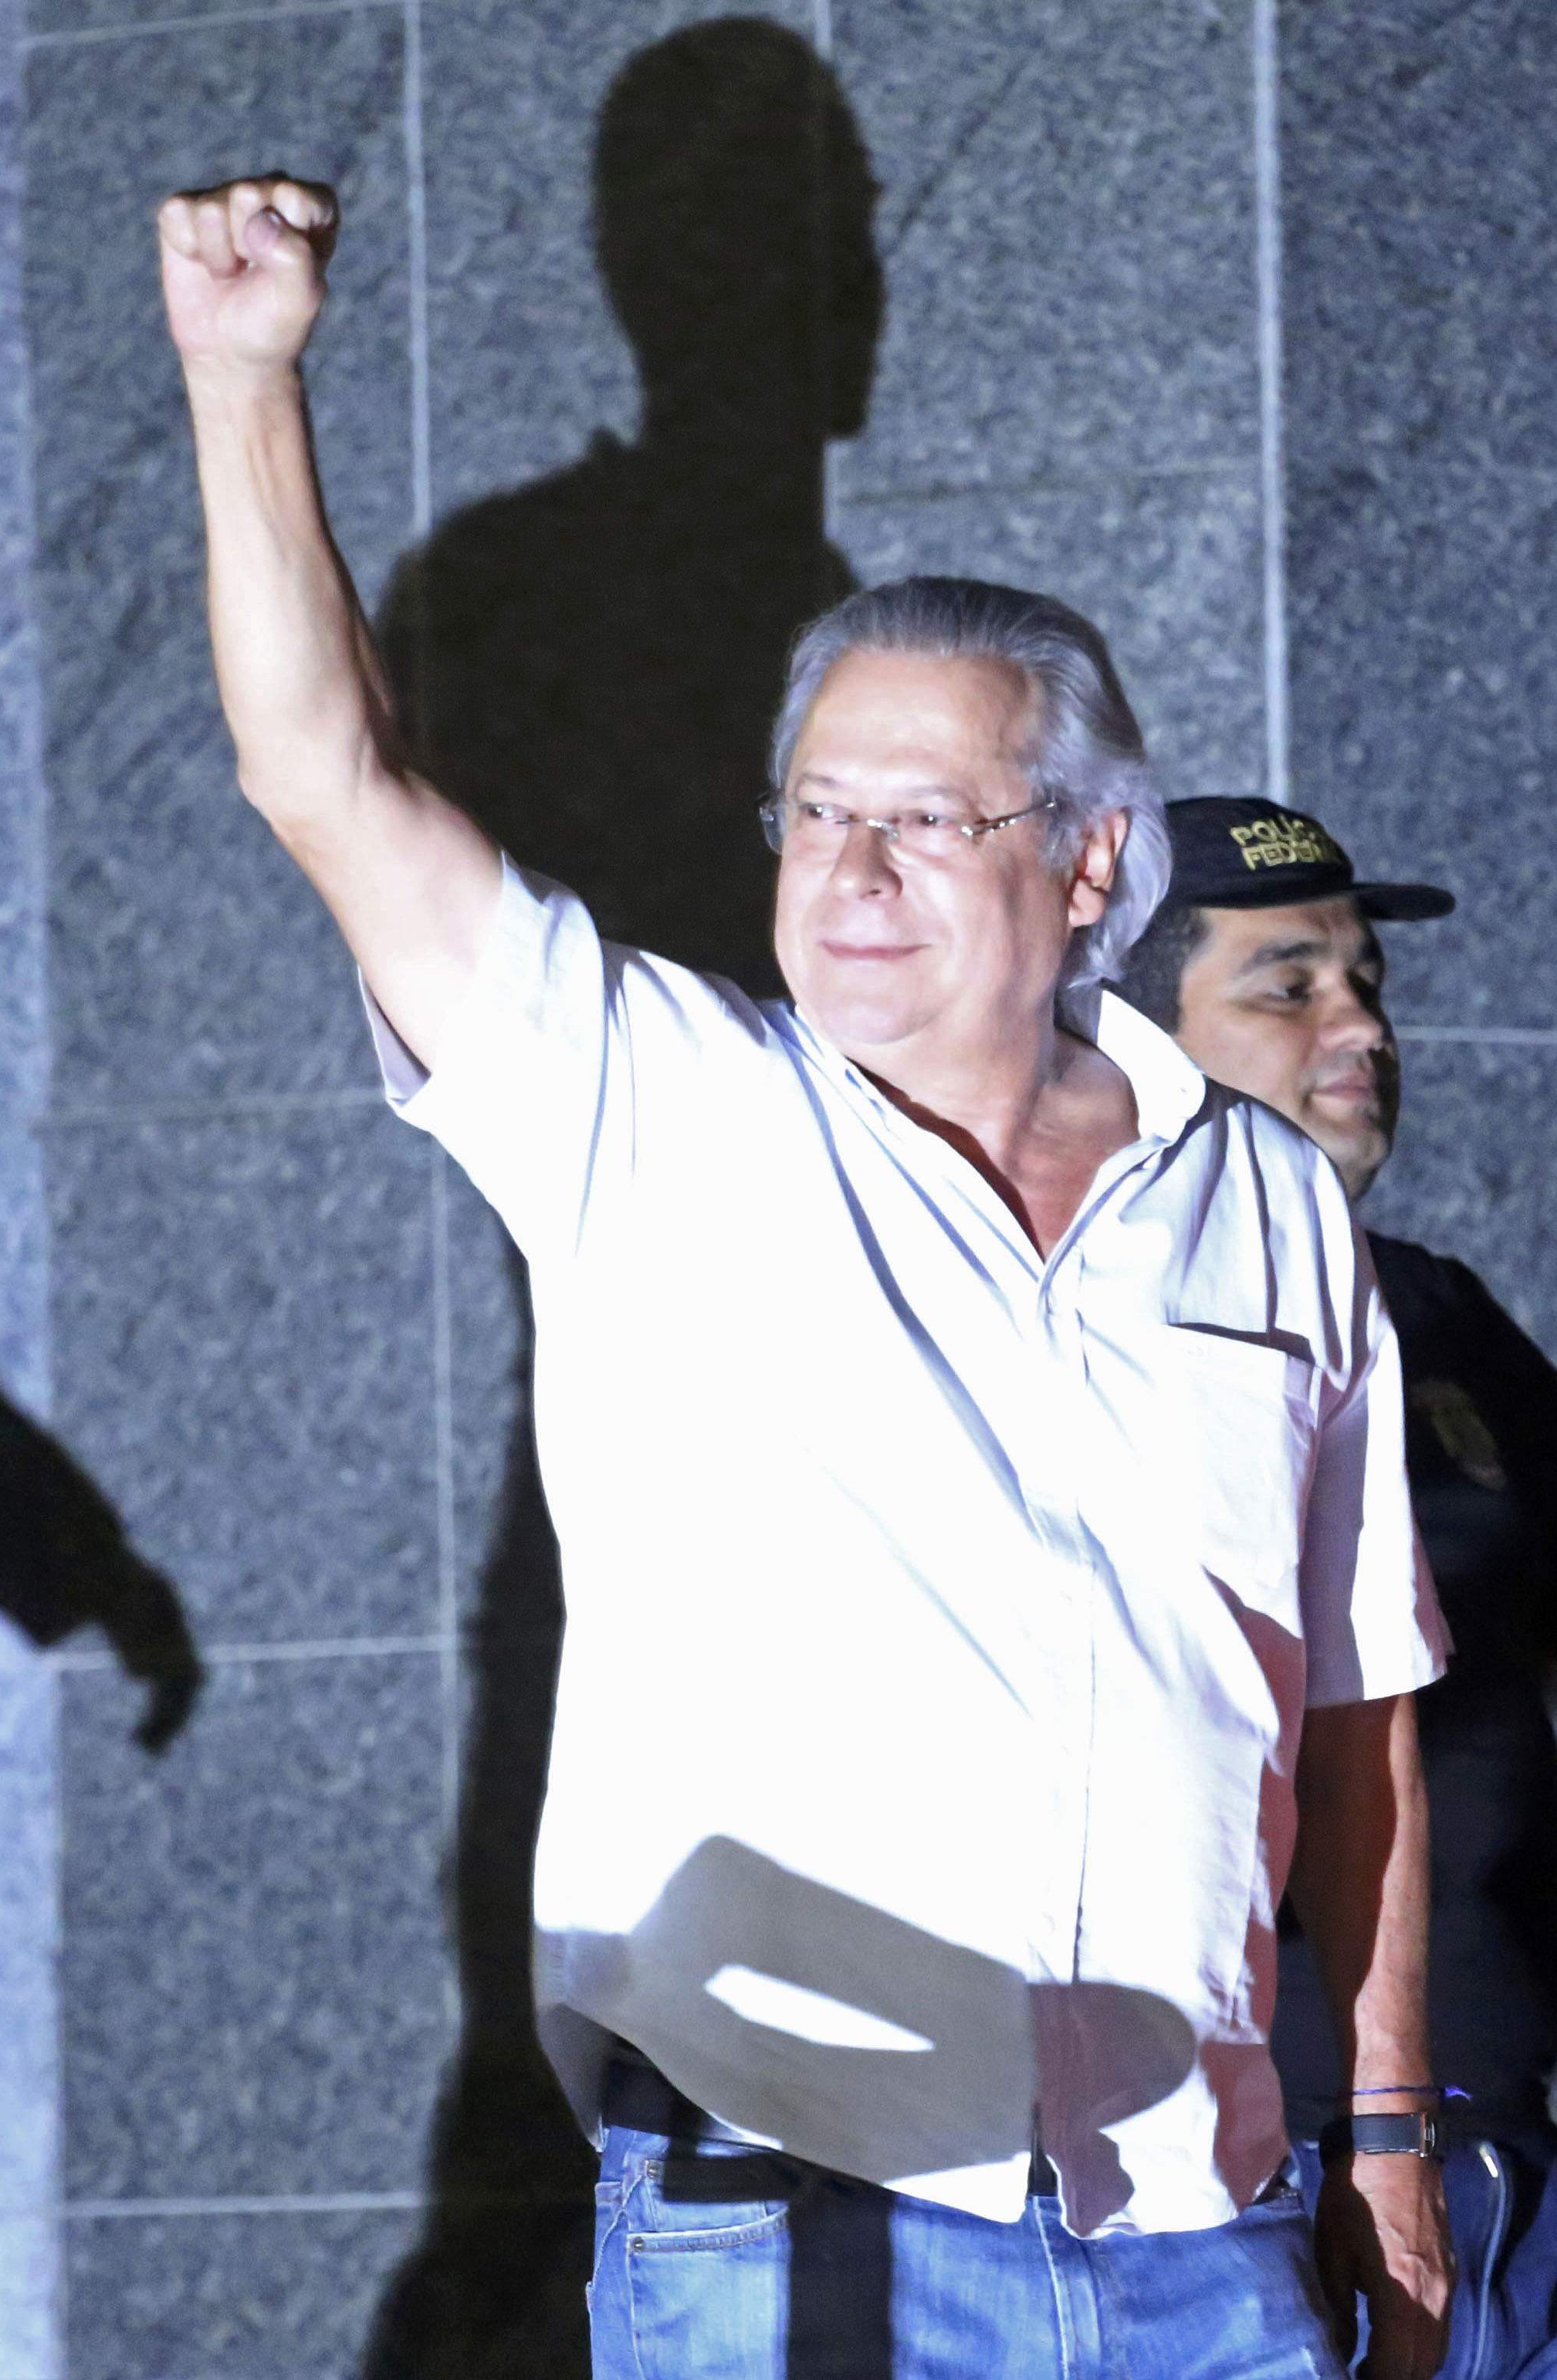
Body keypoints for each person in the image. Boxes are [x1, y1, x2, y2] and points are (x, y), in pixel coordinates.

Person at [157, 174, 1454, 2377]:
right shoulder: (658, 1103)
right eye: (808, 812)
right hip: (794, 2217)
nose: (842, 872)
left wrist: (1389, 2121)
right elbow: (323, 773)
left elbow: (1352, 1713)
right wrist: (240, 380)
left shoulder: (1263, 1204)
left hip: (1197, 2224)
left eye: (920, 821)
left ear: (1089, 858)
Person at [1126, 796, 1557, 2379]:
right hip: (1248, 2192)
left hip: (1500, 2152)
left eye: (1365, 984)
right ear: (1135, 1033)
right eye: (1286, 986)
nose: (1357, 1027)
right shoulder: (1083, 1335)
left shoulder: (1432, 1310)